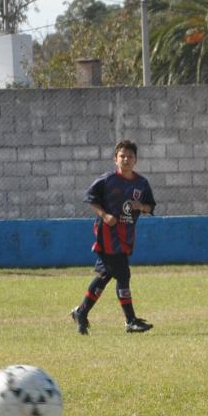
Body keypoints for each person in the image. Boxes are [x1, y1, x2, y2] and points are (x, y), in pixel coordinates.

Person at [70, 139, 157, 335]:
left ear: (136, 160)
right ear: (115, 159)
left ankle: (81, 312)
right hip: (107, 235)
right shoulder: (107, 180)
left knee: (105, 275)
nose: (126, 159)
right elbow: (90, 197)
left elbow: (151, 206)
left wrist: (141, 207)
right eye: (122, 156)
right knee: (123, 274)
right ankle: (130, 320)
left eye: (130, 156)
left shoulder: (141, 183)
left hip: (126, 235)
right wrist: (104, 215)